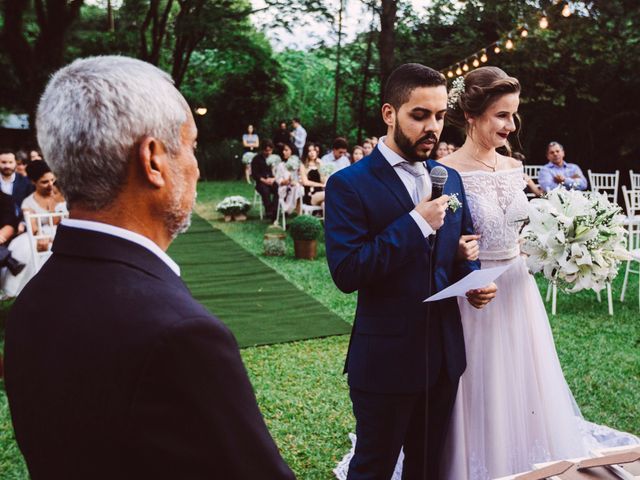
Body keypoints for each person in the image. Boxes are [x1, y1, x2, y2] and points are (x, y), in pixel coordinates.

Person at [3, 56, 295, 479]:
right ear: (153, 160)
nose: (195, 165)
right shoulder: (181, 335)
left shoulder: (31, 301)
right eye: (191, 145)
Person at [437, 66, 637, 479]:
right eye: (501, 115)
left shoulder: (513, 168)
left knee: (525, 381)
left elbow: (527, 229)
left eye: (514, 115)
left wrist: (562, 246)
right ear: (472, 116)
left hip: (519, 289)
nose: (511, 125)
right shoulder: (447, 172)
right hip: (477, 294)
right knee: (482, 383)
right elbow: (438, 246)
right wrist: (459, 257)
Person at [327, 63, 496, 480]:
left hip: (443, 356)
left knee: (427, 468)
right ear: (390, 113)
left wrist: (471, 273)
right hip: (385, 358)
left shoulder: (449, 178)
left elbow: (464, 243)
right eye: (419, 115)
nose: (432, 127)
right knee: (373, 467)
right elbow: (348, 271)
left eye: (439, 116)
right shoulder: (349, 184)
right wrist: (417, 223)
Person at [2, 161, 66, 298]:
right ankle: (28, 291)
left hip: (63, 233)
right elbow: (34, 228)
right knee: (27, 248)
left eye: (52, 180)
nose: (50, 185)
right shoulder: (28, 202)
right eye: (44, 182)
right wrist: (45, 237)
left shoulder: (62, 196)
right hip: (39, 234)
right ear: (33, 182)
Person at [251, 139, 279, 222]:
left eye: (270, 150)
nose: (269, 153)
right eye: (266, 151)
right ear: (263, 150)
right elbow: (255, 174)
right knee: (265, 190)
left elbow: (279, 172)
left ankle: (275, 209)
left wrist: (274, 179)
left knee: (279, 189)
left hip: (273, 180)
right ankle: (269, 210)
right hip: (261, 181)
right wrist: (265, 180)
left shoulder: (275, 158)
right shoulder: (256, 159)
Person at [274, 142, 303, 214]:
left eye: (286, 150)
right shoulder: (281, 165)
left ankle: (299, 213)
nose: (284, 152)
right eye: (283, 150)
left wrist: (297, 181)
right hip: (284, 188)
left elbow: (301, 178)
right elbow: (278, 179)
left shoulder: (298, 164)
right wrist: (287, 181)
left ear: (292, 151)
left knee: (299, 188)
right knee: (297, 188)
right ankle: (290, 209)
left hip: (297, 186)